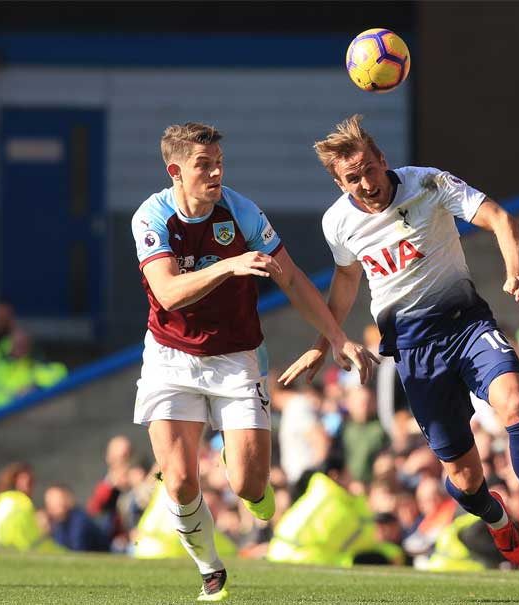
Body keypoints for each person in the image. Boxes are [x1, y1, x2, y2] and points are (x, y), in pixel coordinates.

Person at [280, 114, 519, 572]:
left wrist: (515, 270)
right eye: (351, 178)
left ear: (384, 160)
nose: (364, 184)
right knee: (463, 477)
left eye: (368, 170)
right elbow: (344, 285)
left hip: (467, 325)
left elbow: (501, 218)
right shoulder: (338, 223)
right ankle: (499, 519)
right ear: (340, 184)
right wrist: (324, 345)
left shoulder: (429, 183)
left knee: (515, 404)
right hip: (414, 350)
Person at [130, 122, 376, 601]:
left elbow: (292, 279)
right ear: (175, 171)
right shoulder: (151, 216)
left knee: (248, 484)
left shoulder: (240, 212)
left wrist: (336, 337)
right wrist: (230, 264)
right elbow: (166, 292)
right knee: (179, 481)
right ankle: (210, 570)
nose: (216, 171)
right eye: (204, 164)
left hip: (236, 356)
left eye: (219, 161)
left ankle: (247, 474)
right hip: (170, 357)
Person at [44, 484, 110, 552]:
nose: (51, 506)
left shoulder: (79, 522)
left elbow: (78, 552)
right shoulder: (58, 523)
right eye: (48, 502)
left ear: (67, 500)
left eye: (56, 501)